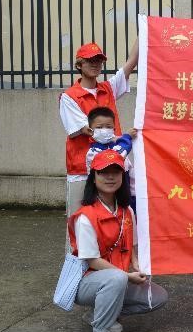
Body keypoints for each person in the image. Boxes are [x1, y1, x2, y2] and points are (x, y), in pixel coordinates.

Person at [68, 148, 168, 332]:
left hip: (117, 279)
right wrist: (126, 276)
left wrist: (137, 265)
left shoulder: (126, 211)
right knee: (116, 278)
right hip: (86, 283)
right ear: (93, 177)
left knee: (157, 297)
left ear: (123, 176)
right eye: (103, 172)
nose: (110, 177)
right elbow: (92, 260)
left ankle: (100, 315)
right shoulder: (86, 216)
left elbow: (132, 245)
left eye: (116, 172)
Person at [59, 41, 138, 219]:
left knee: (115, 216)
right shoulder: (69, 97)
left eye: (99, 60)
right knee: (80, 219)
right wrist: (123, 138)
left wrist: (144, 31)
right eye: (90, 60)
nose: (95, 64)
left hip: (112, 168)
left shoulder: (108, 89)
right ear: (79, 65)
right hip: (82, 169)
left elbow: (131, 63)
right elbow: (88, 131)